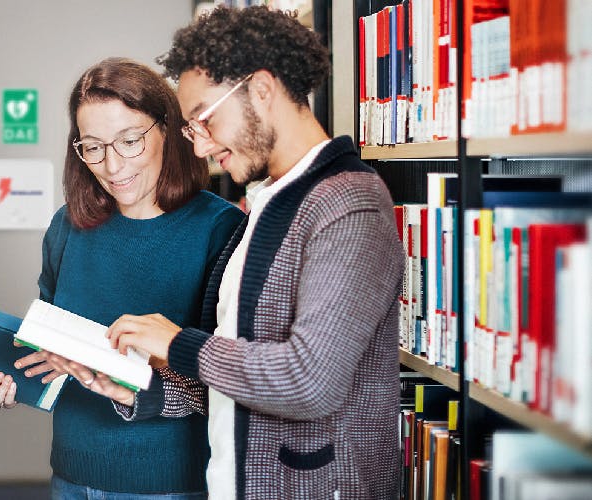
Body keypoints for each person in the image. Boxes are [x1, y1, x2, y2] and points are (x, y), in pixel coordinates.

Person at [107, 6, 405, 499]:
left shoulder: (350, 204)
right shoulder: (268, 203)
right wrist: (146, 388)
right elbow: (242, 370)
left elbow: (310, 381)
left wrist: (178, 343)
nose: (199, 147)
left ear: (262, 90)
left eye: (203, 118)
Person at [0, 57, 245, 499]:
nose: (113, 166)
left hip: (170, 484)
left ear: (168, 130)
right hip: (72, 476)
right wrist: (13, 380)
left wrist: (129, 383)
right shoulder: (67, 226)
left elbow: (228, 382)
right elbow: (54, 354)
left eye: (130, 141)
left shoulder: (222, 230)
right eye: (93, 147)